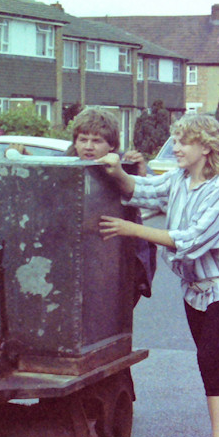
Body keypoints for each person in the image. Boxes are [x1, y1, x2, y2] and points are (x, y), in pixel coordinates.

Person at [98, 114, 219, 437]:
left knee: (210, 357)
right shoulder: (178, 180)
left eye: (184, 142)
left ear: (206, 148)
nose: (176, 148)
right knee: (216, 360)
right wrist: (116, 171)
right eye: (176, 141)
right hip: (194, 289)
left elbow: (193, 240)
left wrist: (131, 229)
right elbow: (140, 189)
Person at [67, 107, 156, 305]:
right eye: (83, 139)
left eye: (97, 141)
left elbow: (155, 197)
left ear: (112, 145)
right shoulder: (65, 167)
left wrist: (140, 174)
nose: (88, 146)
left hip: (116, 261)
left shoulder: (125, 165)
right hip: (78, 262)